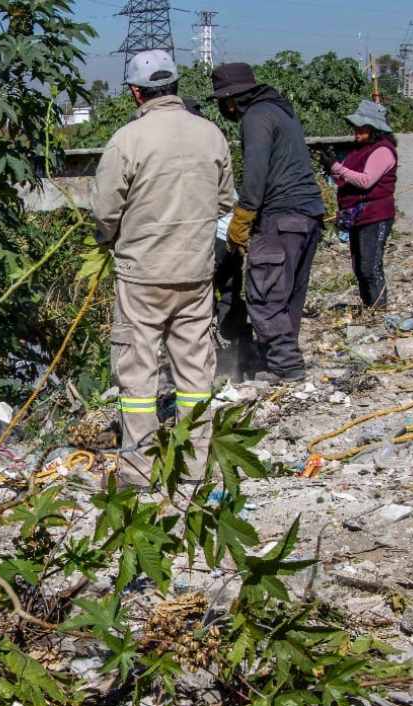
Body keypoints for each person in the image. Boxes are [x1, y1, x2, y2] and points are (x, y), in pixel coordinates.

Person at [92, 49, 236, 485]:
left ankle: (139, 467)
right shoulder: (211, 135)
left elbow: (104, 210)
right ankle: (194, 464)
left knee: (138, 371)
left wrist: (108, 240)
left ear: (137, 92)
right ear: (174, 86)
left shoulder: (127, 140)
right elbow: (226, 201)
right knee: (194, 369)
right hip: (196, 270)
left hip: (142, 274)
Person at [211, 62, 325, 384]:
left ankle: (285, 364)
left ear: (232, 99)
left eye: (223, 101)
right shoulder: (280, 110)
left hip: (280, 216)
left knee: (265, 294)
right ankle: (277, 361)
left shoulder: (255, 117)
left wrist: (242, 217)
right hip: (307, 216)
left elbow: (256, 173)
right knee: (287, 293)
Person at [330, 100, 399, 309]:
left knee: (370, 266)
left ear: (374, 129)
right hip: (358, 215)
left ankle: (378, 309)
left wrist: (336, 168)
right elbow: (344, 177)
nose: (356, 132)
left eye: (361, 129)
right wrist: (334, 168)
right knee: (359, 266)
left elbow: (366, 180)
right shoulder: (360, 150)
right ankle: (369, 306)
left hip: (375, 214)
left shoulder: (383, 151)